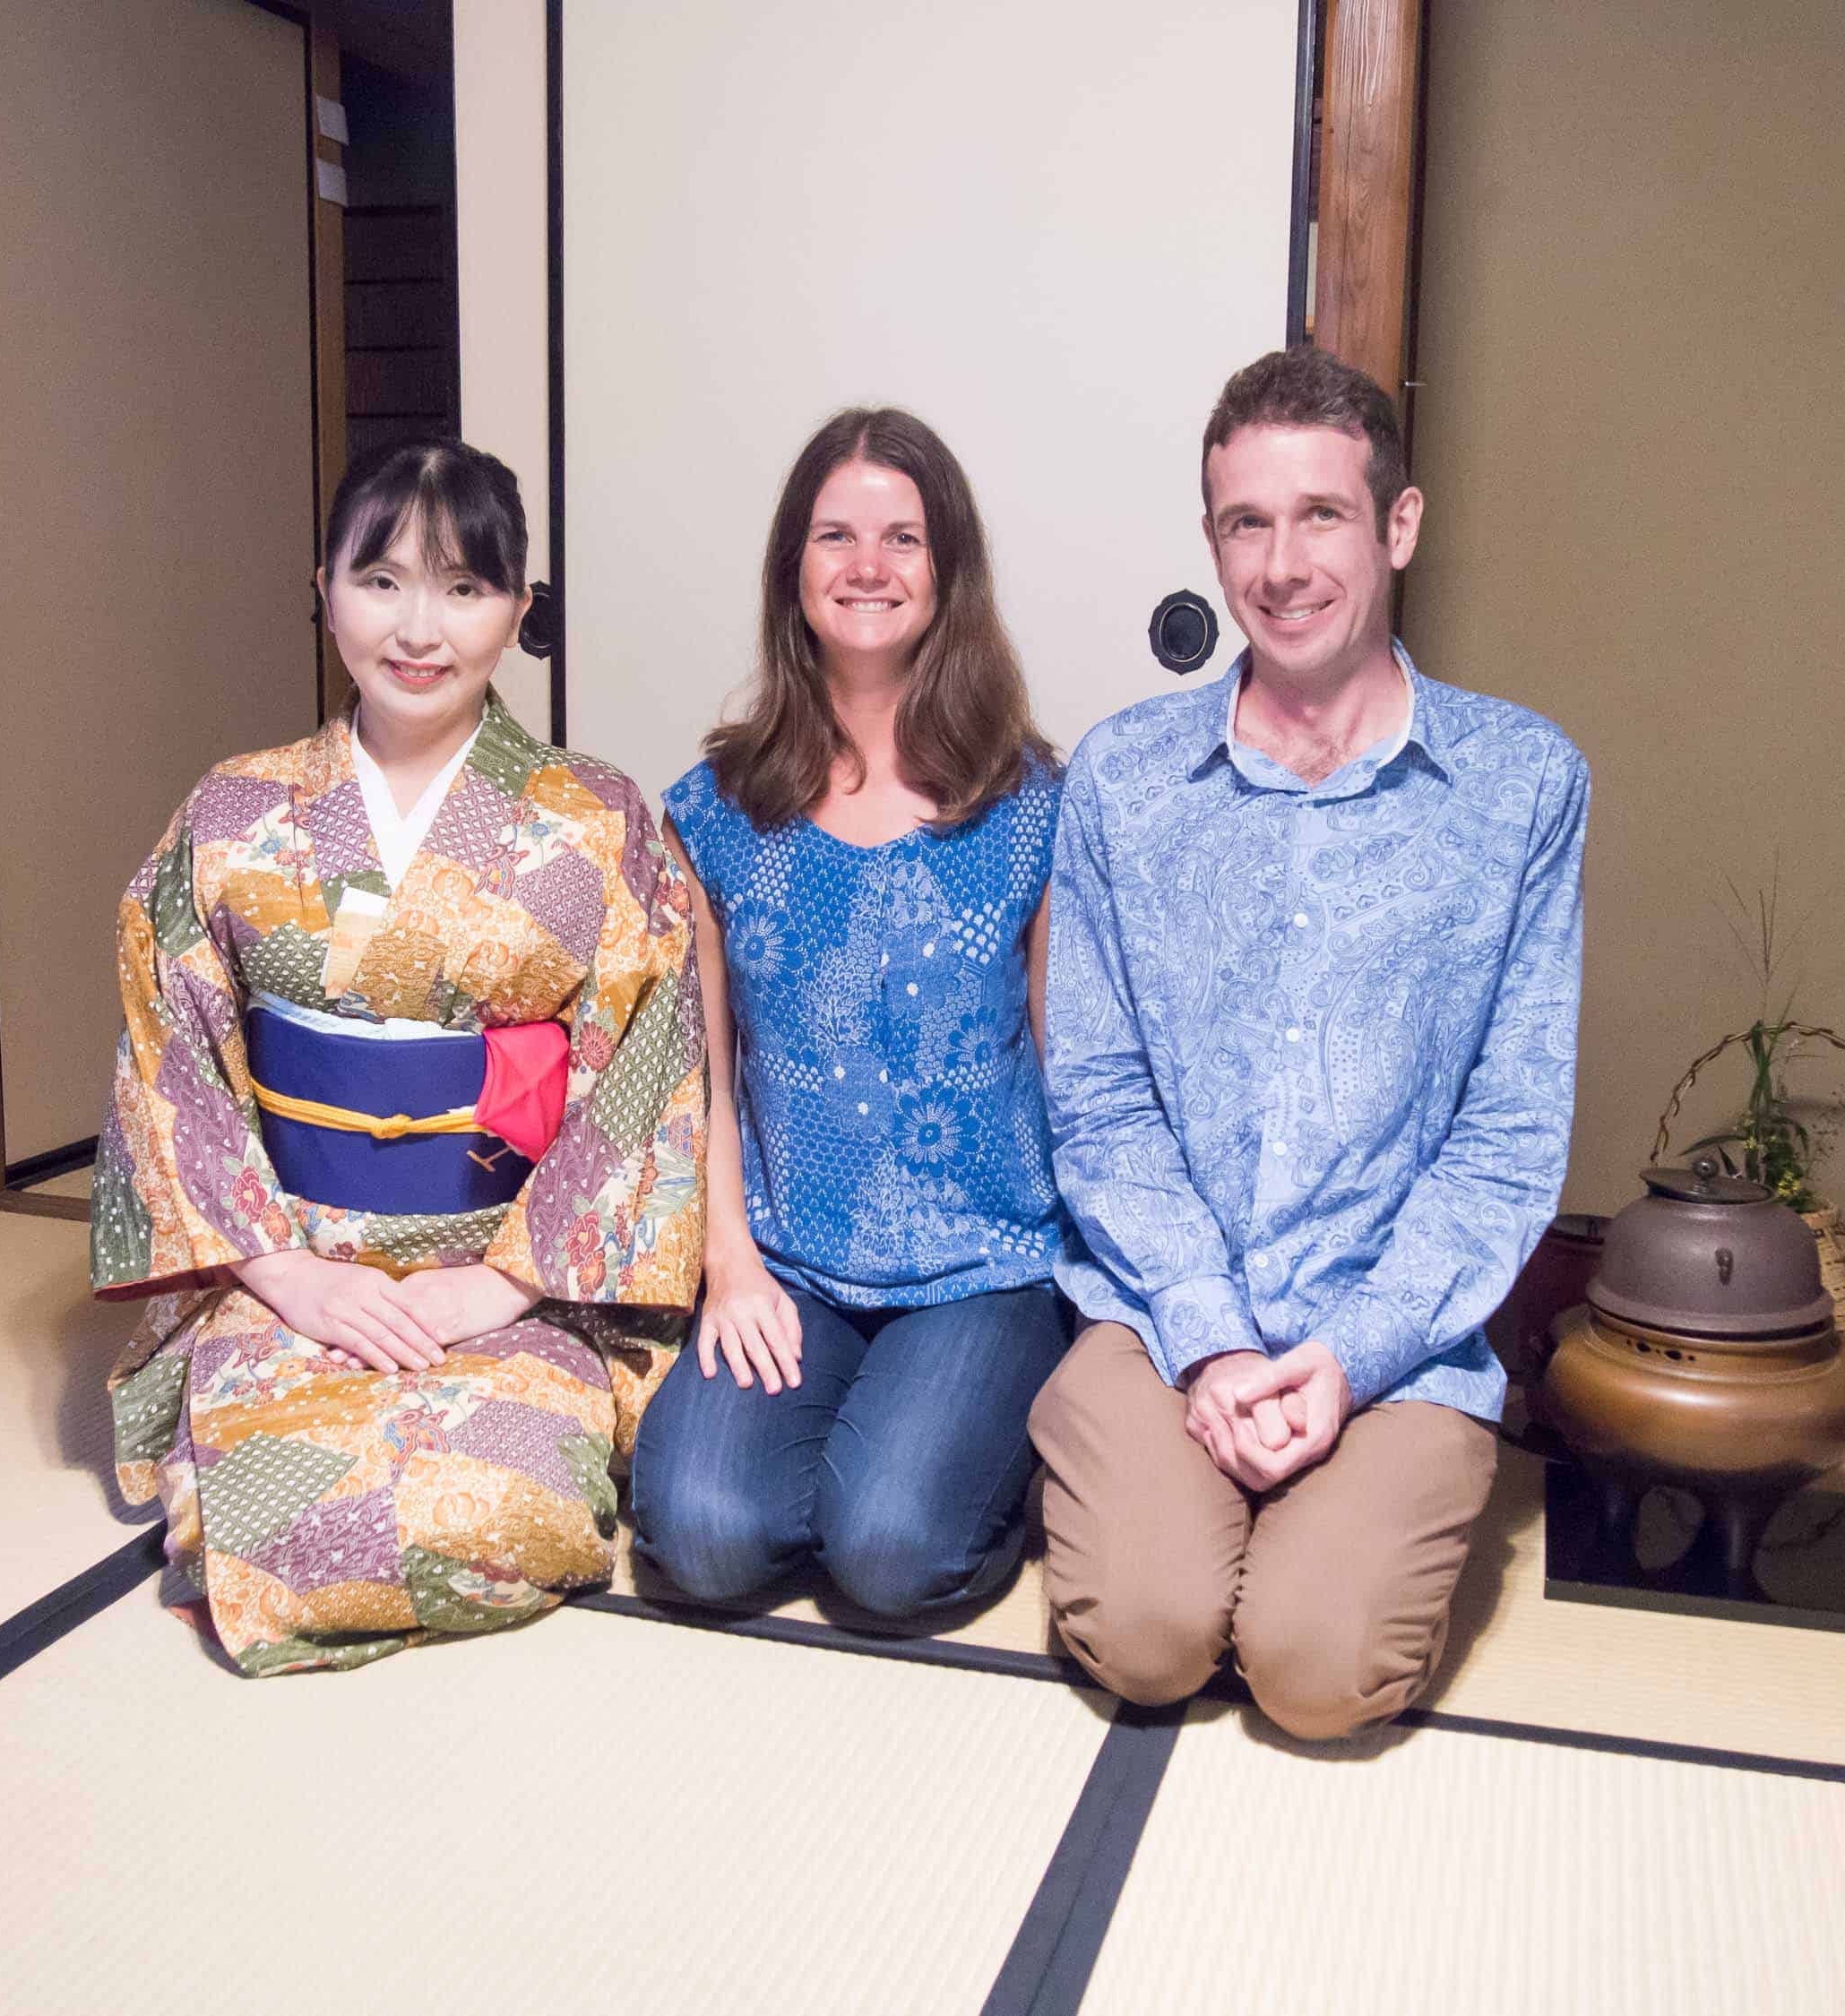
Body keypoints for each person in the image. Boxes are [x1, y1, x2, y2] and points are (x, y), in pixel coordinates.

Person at [1034, 347, 1588, 1738]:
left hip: (1395, 1329)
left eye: (1322, 515)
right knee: (1149, 1640)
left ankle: (1322, 1514)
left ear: (1398, 524)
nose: (1282, 563)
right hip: (1164, 1309)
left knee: (1317, 1671)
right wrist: (1215, 1341)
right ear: (1214, 541)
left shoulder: (1524, 785)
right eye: (1245, 523)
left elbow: (1509, 1135)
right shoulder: (1123, 778)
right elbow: (1098, 1105)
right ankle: (1195, 1494)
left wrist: (1351, 1354)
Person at [91, 437, 704, 1676]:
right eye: (381, 580)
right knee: (279, 1522)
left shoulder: (597, 819)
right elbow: (174, 1063)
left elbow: (647, 1071)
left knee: (505, 1515)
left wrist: (503, 1287)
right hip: (291, 1272)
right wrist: (291, 1278)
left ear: (519, 611)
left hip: (506, 1277)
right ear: (321, 586)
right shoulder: (232, 814)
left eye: (466, 588)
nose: (419, 628)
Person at [629, 408, 1070, 1620]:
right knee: (701, 1536)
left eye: (903, 538)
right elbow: (702, 1075)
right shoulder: (719, 806)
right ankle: (870, 1443)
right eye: (836, 534)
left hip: (985, 1261)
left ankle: (983, 1451)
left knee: (885, 1551)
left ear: (948, 572)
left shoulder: (1030, 801)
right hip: (790, 1259)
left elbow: (1072, 1068)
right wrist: (728, 1260)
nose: (868, 565)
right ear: (794, 567)